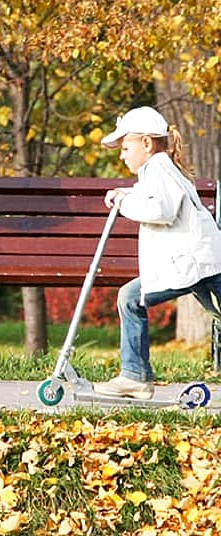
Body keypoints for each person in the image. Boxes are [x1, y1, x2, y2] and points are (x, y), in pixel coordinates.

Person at [93, 106, 221, 400]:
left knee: (129, 298)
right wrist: (125, 194)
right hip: (193, 264)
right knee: (129, 298)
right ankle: (134, 376)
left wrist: (124, 203)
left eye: (126, 147)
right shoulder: (159, 170)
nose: (122, 155)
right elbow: (153, 197)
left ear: (147, 144)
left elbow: (161, 209)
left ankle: (135, 376)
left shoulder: (158, 168)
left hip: (195, 264)